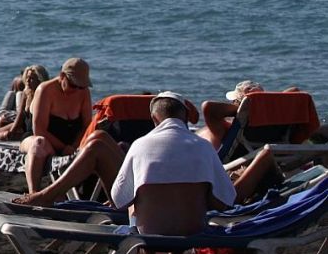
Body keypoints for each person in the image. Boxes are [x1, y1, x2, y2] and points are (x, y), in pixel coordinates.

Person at [16, 93, 237, 239]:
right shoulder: (204, 146)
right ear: (185, 118)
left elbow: (120, 200)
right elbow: (226, 200)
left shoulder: (141, 144)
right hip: (194, 228)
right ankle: (49, 194)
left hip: (149, 227)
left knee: (96, 145)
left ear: (154, 119)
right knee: (99, 138)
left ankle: (48, 193)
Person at [19, 57, 92, 195]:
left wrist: (74, 146)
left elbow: (87, 125)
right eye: (73, 85)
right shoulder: (45, 90)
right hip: (40, 138)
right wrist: (63, 148)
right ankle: (33, 192)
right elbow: (39, 130)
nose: (76, 90)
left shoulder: (83, 92)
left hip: (70, 143)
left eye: (80, 86)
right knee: (38, 144)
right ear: (62, 76)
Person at [0, 65, 48, 142]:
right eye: (27, 77)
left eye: (31, 78)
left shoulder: (43, 95)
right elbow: (20, 115)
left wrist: (12, 132)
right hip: (23, 124)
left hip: (32, 129)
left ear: (39, 80)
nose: (28, 80)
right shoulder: (26, 93)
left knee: (0, 137)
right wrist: (12, 130)